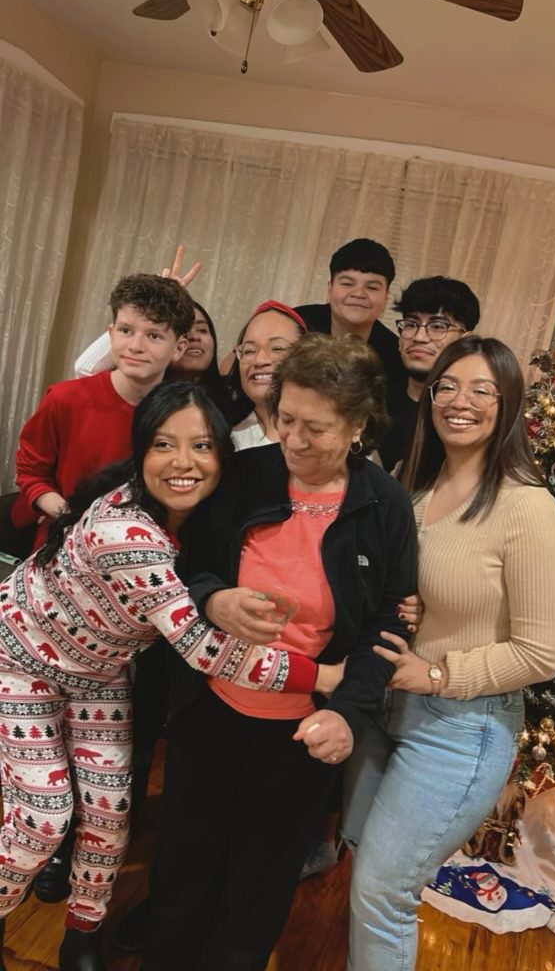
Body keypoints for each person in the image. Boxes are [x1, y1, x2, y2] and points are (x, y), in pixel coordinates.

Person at [0, 382, 335, 971]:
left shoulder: (204, 516)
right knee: (45, 814)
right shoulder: (126, 532)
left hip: (97, 674)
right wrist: (325, 676)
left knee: (108, 813)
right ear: (141, 451)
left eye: (202, 445)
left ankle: (82, 933)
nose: (184, 462)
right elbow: (206, 651)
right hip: (21, 662)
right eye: (164, 445)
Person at [139, 333, 418, 971]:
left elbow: (385, 623)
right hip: (211, 707)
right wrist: (214, 600)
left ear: (356, 427)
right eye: (283, 418)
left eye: (314, 428)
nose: (292, 439)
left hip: (301, 728)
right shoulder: (247, 473)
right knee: (183, 864)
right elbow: (190, 564)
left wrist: (348, 712)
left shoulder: (383, 505)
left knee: (259, 885)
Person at [346, 335, 555, 971]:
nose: (459, 401)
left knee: (382, 891)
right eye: (447, 385)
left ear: (509, 405)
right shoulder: (413, 488)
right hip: (383, 712)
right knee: (365, 869)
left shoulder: (525, 506)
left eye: (481, 390)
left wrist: (442, 672)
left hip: (460, 730)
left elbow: (542, 652)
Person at [12, 273, 195, 547]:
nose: (135, 346)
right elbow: (31, 471)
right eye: (125, 331)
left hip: (143, 552)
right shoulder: (66, 399)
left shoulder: (185, 416)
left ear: (179, 347)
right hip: (63, 546)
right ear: (110, 333)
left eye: (154, 336)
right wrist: (70, 516)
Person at [379, 276, 480, 471]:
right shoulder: (373, 402)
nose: (419, 337)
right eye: (411, 324)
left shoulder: (465, 416)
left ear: (465, 340)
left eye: (438, 327)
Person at [294, 238, 403, 393]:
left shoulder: (395, 356)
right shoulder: (295, 325)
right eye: (347, 284)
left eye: (372, 287)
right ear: (330, 289)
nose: (359, 294)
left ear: (386, 297)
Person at [226, 300, 308, 448]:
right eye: (249, 351)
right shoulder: (228, 441)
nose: (259, 360)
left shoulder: (332, 434)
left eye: (277, 348)